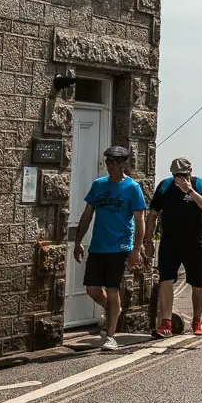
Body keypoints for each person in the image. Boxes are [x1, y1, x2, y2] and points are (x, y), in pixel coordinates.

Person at [73, 146, 146, 351]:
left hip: (120, 247)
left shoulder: (132, 188)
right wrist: (78, 241)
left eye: (112, 163)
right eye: (107, 163)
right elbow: (87, 214)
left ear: (122, 164)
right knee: (92, 289)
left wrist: (137, 249)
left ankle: (110, 336)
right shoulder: (98, 185)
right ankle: (114, 310)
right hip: (98, 246)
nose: (109, 167)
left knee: (113, 290)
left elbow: (140, 221)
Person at [145, 157, 202, 339]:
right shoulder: (164, 187)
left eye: (183, 174)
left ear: (190, 172)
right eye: (176, 175)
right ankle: (166, 323)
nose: (180, 178)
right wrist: (148, 241)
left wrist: (190, 192)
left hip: (195, 242)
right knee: (165, 280)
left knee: (197, 284)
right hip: (170, 242)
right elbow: (153, 214)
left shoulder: (201, 185)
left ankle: (197, 320)